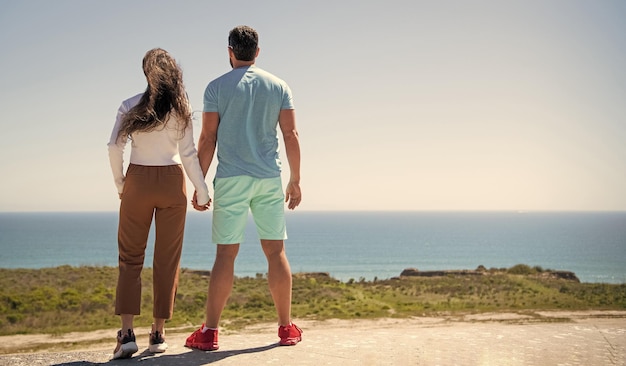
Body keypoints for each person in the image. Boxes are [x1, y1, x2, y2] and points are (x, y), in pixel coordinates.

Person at [185, 25, 302, 351]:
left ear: (230, 51)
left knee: (226, 254)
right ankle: (286, 329)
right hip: (268, 178)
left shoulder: (215, 88)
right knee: (276, 252)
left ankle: (209, 333)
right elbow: (291, 135)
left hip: (231, 180)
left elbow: (207, 138)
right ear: (258, 52)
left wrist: (199, 183)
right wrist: (295, 179)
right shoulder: (279, 86)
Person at [107, 48, 210, 359]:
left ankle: (126, 335)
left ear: (145, 73)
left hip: (137, 180)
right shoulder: (181, 108)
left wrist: (121, 183)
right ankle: (158, 334)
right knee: (167, 260)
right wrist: (202, 191)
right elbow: (189, 154)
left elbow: (114, 146)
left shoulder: (130, 106)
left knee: (130, 258)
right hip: (172, 182)